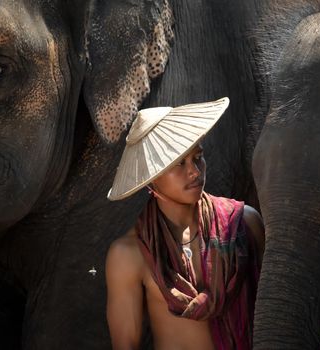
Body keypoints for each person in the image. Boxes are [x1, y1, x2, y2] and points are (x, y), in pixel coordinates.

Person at [105, 97, 264, 350]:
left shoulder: (243, 223)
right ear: (150, 178)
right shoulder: (128, 255)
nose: (195, 171)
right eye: (179, 163)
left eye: (197, 157)